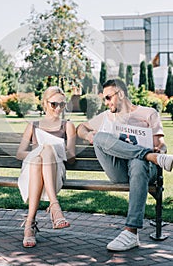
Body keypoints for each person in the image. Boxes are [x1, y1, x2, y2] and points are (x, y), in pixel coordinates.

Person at [77, 78, 173, 252]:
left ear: (120, 94)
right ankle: (148, 156)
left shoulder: (148, 113)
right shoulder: (107, 116)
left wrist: (161, 150)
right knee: (99, 137)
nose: (106, 103)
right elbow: (80, 128)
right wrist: (89, 136)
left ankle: (131, 231)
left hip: (143, 171)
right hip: (119, 172)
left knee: (138, 162)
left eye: (108, 97)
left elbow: (161, 144)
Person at [16, 86, 76, 248]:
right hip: (32, 170)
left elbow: (71, 157)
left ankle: (29, 225)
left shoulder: (67, 126)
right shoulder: (33, 125)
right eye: (54, 104)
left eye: (62, 105)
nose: (58, 108)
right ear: (45, 103)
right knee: (38, 158)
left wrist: (57, 148)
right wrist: (39, 151)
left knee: (48, 150)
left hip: (55, 171)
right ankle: (55, 208)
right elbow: (20, 153)